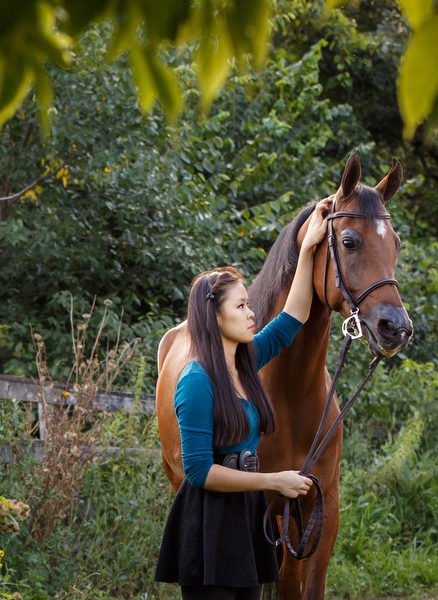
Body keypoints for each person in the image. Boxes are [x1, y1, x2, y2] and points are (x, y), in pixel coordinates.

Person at [154, 197, 333, 600]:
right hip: (207, 523)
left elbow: (293, 319)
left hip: (246, 517)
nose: (252, 313)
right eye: (241, 306)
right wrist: (273, 480)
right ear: (216, 317)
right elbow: (199, 472)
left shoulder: (248, 361)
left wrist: (306, 247)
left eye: (249, 304)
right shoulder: (196, 381)